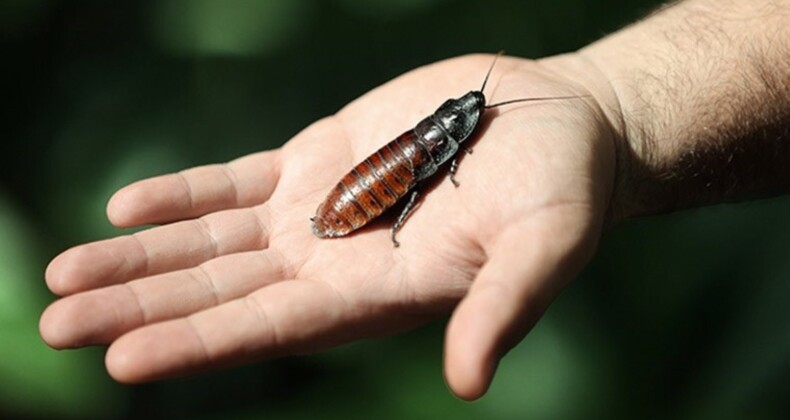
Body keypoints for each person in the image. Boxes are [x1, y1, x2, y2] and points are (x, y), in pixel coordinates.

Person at [39, 0, 788, 400]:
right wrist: (605, 94)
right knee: (407, 174)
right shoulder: (445, 142)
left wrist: (605, 101)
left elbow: (446, 153)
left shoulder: (455, 133)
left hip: (393, 163)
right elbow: (438, 160)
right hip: (371, 181)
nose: (478, 116)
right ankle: (345, 218)